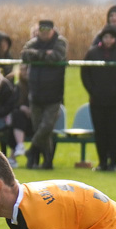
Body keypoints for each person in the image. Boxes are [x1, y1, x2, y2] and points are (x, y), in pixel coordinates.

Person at [20, 19, 68, 170]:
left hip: (53, 95)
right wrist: (43, 54)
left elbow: (57, 57)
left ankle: (31, 150)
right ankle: (47, 162)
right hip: (35, 94)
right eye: (42, 30)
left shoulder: (60, 42)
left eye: (48, 30)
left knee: (46, 127)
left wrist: (38, 55)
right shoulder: (34, 42)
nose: (45, 33)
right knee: (40, 129)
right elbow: (25, 55)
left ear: (53, 30)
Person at [80, 24, 116, 171]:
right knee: (100, 132)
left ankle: (113, 162)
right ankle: (102, 162)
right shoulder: (92, 53)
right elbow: (85, 73)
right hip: (97, 101)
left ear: (115, 39)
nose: (108, 40)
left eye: (111, 37)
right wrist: (92, 90)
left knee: (114, 132)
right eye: (105, 37)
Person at [6, 63, 33, 164]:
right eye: (22, 70)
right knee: (17, 115)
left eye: (26, 69)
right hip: (21, 121)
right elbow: (13, 104)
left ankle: (13, 156)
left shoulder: (36, 87)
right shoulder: (18, 87)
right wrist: (22, 107)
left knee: (16, 120)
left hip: (33, 121)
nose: (24, 72)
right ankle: (19, 146)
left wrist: (31, 110)